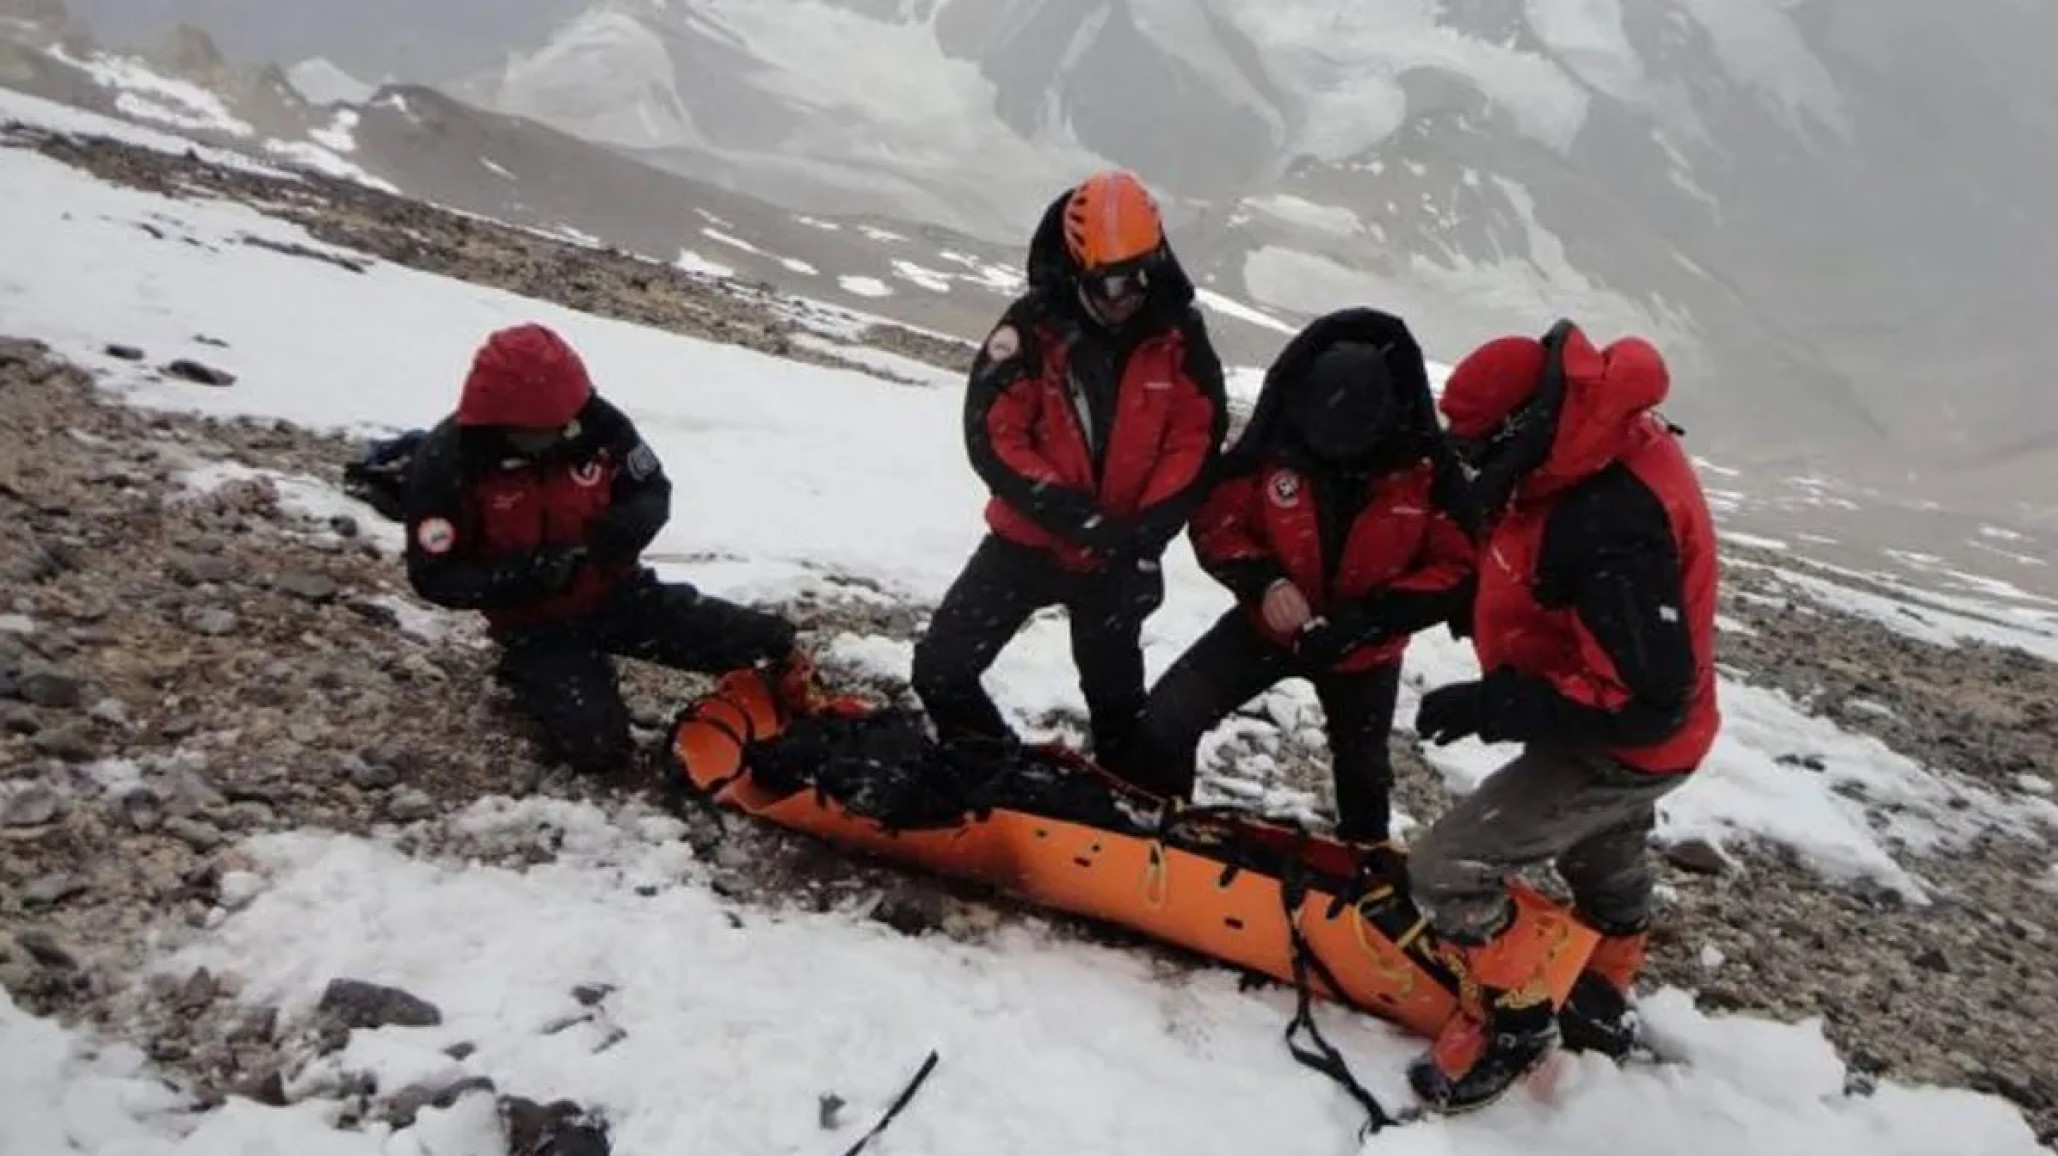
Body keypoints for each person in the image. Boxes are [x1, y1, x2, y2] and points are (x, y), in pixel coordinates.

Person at [1401, 320, 1720, 1113]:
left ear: (1521, 426)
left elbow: (1644, 701)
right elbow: (1548, 572)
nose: (1471, 464)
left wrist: (1496, 703)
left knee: (1449, 868)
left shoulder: (1610, 517)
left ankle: (1519, 1022)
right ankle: (1603, 998)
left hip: (1622, 742)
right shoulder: (1579, 447)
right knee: (1600, 856)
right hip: (1617, 725)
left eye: (1479, 448)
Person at [910, 169, 1227, 775]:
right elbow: (995, 434)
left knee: (1119, 712)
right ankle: (991, 769)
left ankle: (1132, 816)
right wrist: (1073, 515)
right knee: (941, 670)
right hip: (1028, 542)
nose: (1123, 296)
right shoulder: (1032, 327)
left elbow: (1195, 438)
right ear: (1078, 268)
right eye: (1105, 283)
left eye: (1136, 277)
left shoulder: (1178, 334)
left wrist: (1143, 534)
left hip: (1118, 555)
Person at [1128, 308, 1474, 844]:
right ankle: (1160, 837)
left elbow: (1457, 568)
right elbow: (1219, 522)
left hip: (1364, 653)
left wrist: (1367, 622)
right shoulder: (1276, 444)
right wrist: (1263, 582)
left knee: (1363, 778)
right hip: (1264, 629)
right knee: (1167, 719)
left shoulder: (1424, 471)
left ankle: (1362, 869)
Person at [401, 322, 801, 776]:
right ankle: (529, 676)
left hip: (619, 594)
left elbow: (650, 489)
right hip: (536, 624)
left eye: (566, 424)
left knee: (768, 642)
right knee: (598, 748)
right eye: (543, 432)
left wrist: (614, 536)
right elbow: (433, 576)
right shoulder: (448, 463)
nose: (562, 435)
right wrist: (527, 576)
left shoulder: (595, 423)